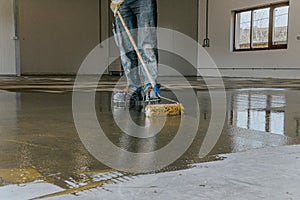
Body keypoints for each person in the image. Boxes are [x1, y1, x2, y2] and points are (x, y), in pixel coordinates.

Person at [110, 0, 160, 105]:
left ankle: (150, 86)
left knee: (147, 43)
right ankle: (133, 88)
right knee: (126, 47)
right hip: (121, 2)